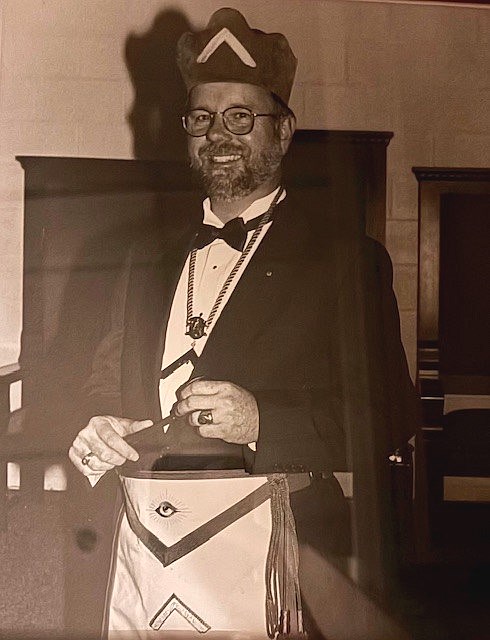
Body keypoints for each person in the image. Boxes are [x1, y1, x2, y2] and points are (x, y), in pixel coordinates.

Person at [68, 8, 419, 639]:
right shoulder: (143, 254)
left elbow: (389, 415)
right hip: (149, 535)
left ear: (282, 133)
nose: (218, 135)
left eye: (240, 117)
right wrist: (96, 426)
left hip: (284, 545)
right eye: (201, 118)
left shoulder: (347, 259)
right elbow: (103, 379)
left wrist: (262, 421)